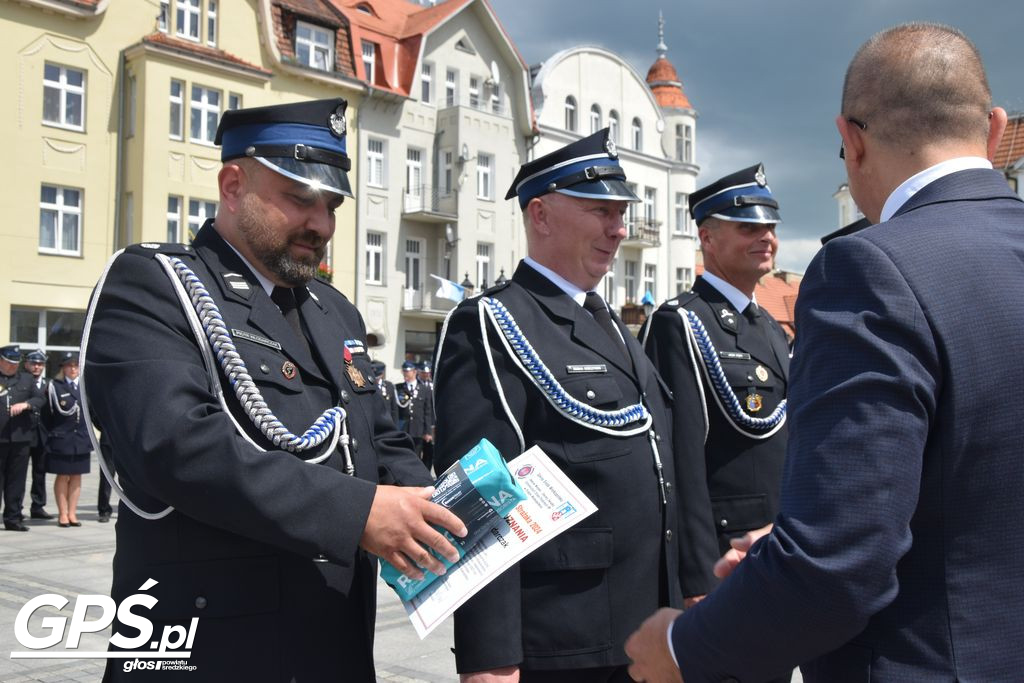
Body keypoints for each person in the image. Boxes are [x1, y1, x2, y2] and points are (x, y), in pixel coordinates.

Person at [625, 22, 1024, 682]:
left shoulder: (871, 269)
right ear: (992, 128)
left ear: (853, 141)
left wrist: (683, 646)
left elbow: (840, 567)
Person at [83, 98, 466, 681]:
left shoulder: (332, 309)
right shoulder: (155, 284)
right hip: (211, 652)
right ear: (233, 186)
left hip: (334, 646)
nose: (322, 224)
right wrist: (358, 511)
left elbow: (376, 440)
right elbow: (177, 447)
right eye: (299, 198)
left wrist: (453, 508)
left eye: (331, 204)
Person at [433, 128, 705, 682]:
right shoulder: (495, 322)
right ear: (541, 215)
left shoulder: (615, 327)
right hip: (566, 636)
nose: (618, 228)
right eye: (600, 210)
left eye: (620, 212)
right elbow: (477, 492)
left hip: (646, 624)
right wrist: (491, 658)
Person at [640, 165, 791, 604]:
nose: (766, 237)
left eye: (770, 227)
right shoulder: (681, 323)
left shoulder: (769, 327)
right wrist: (697, 577)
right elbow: (679, 459)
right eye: (748, 227)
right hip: (725, 555)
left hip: (776, 543)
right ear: (707, 238)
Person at [0, 345, 45, 531]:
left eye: (15, 363)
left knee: (16, 481)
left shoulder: (26, 378)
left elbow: (39, 399)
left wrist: (26, 404)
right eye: (9, 363)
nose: (13, 367)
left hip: (21, 439)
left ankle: (13, 517)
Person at [44, 352, 91, 527]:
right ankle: (62, 514)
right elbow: (47, 417)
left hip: (80, 439)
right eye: (69, 365)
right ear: (63, 368)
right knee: (63, 476)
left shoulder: (86, 386)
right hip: (62, 439)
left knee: (77, 477)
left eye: (76, 365)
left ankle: (72, 513)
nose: (73, 369)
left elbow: (91, 413)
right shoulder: (55, 387)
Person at [23, 349, 53, 520]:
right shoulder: (19, 382)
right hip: (22, 433)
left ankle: (38, 506)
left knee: (39, 472)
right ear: (26, 364)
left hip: (42, 434)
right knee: (17, 474)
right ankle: (15, 508)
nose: (37, 367)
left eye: (40, 364)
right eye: (33, 363)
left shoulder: (50, 384)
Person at [395, 359, 434, 471]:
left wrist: (427, 431)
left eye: (408, 371)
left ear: (414, 372)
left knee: (417, 455)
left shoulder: (424, 389)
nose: (405, 374)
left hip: (418, 429)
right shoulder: (398, 388)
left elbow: (427, 411)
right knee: (403, 455)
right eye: (404, 371)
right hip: (403, 428)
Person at [370, 359, 400, 425]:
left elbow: (394, 409)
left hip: (387, 424)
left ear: (382, 374)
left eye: (378, 377)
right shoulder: (367, 386)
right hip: (372, 423)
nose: (376, 379)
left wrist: (395, 427)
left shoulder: (389, 386)